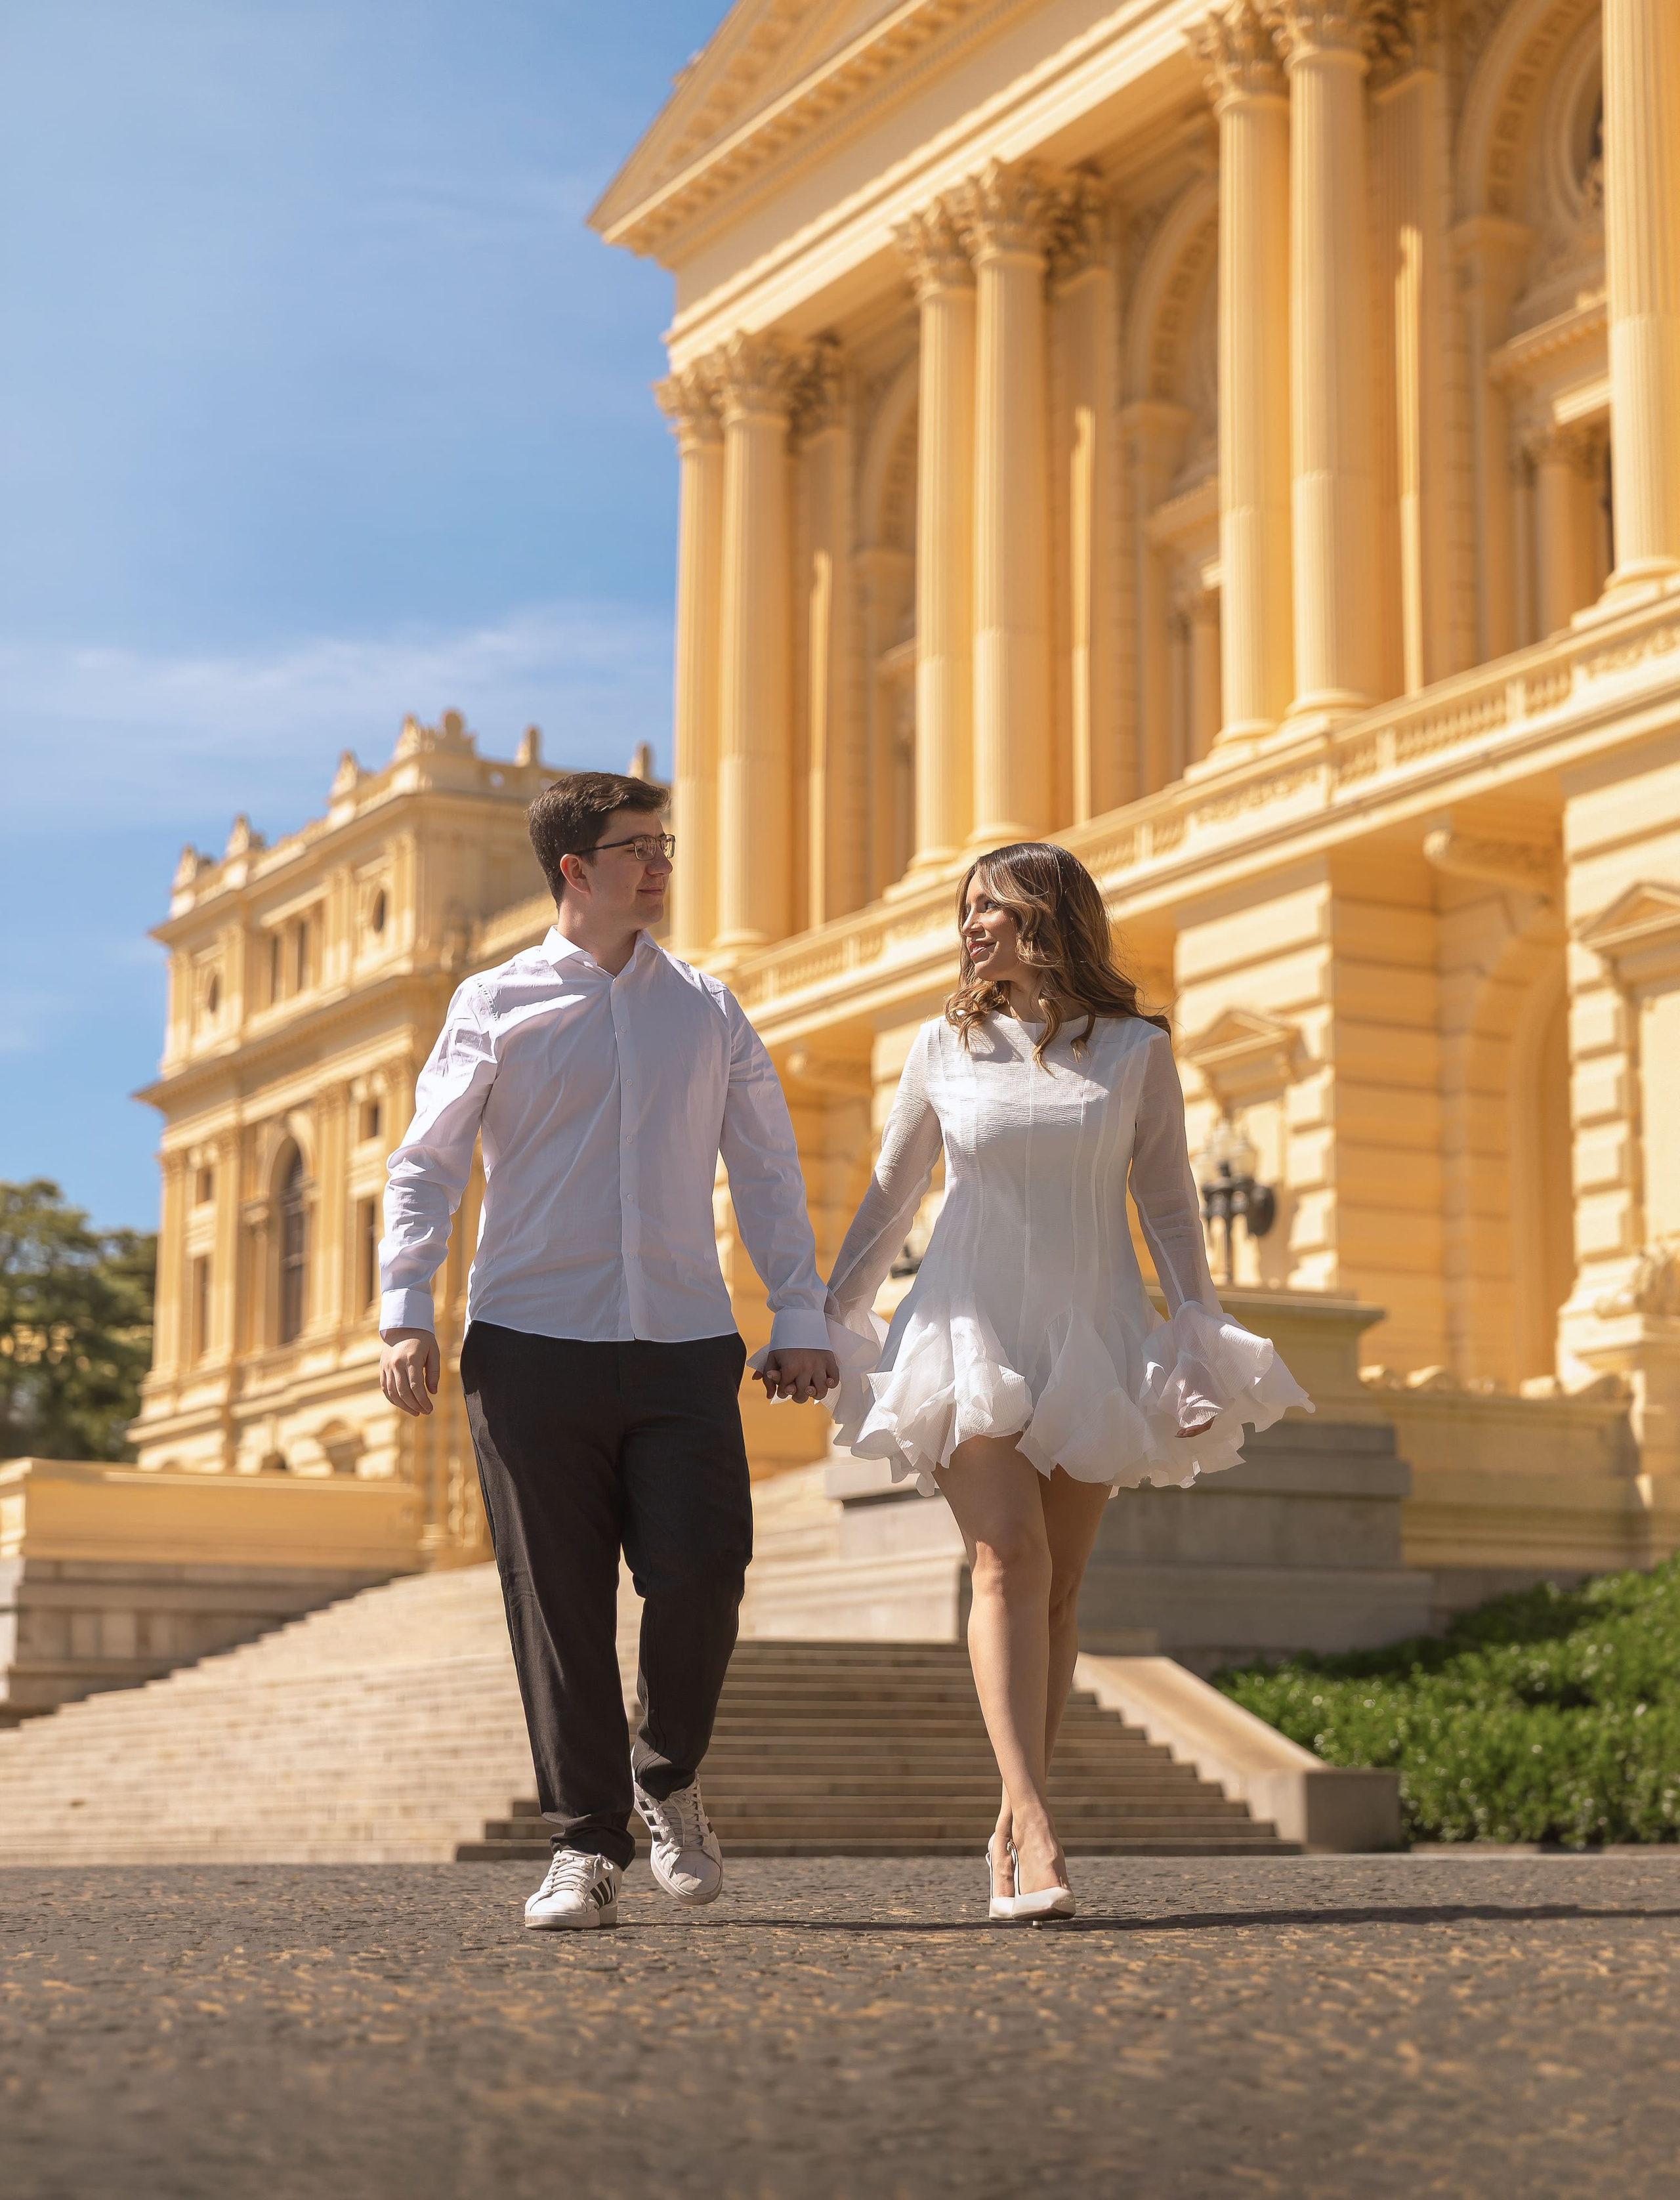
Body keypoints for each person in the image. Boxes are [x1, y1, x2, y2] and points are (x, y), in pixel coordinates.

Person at [378, 771, 838, 1931]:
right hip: (531, 1344)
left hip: (684, 1340)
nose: (660, 865)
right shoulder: (493, 1002)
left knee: (704, 1573)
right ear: (574, 870)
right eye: (636, 848)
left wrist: (800, 1315)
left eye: (665, 844)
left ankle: (668, 1774)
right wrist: (402, 1309)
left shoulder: (711, 1008)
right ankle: (583, 1848)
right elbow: (426, 1165)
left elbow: (771, 1171)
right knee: (560, 1604)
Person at [822, 843, 1311, 1922]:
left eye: (986, 909)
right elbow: (890, 1202)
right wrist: (824, 1322)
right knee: (1010, 1556)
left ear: (1044, 918)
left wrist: (1199, 1329)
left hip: (1089, 1331)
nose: (968, 928)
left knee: (1060, 1587)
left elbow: (1173, 1206)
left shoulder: (1135, 1052)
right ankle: (1039, 1825)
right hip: (966, 1325)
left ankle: (1006, 1825)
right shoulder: (940, 1047)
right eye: (964, 912)